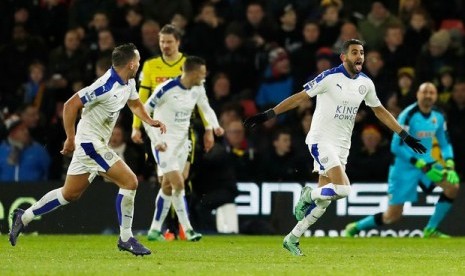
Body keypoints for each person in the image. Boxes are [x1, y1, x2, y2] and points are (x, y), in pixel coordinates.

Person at [243, 39, 426, 256]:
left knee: (325, 200)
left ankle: (292, 238)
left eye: (362, 53)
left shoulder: (366, 83)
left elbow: (380, 111)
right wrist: (268, 114)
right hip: (321, 140)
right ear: (344, 57)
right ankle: (308, 195)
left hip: (342, 146)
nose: (360, 56)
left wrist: (404, 135)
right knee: (344, 189)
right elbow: (300, 98)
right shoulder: (329, 77)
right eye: (355, 52)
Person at [9, 43, 166, 256]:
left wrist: (150, 120)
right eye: (137, 61)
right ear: (131, 64)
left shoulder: (128, 82)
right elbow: (70, 105)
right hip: (90, 144)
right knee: (130, 182)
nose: (138, 64)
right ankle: (126, 238)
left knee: (69, 194)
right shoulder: (104, 86)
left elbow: (135, 104)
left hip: (95, 143)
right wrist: (70, 139)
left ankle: (24, 216)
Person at [345, 82, 460, 238]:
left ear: (436, 96)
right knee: (392, 216)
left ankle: (430, 229)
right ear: (417, 95)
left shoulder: (439, 116)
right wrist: (419, 163)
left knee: (452, 186)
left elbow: (445, 143)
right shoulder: (408, 114)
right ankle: (356, 227)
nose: (427, 96)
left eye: (431, 93)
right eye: (424, 92)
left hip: (428, 164)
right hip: (404, 167)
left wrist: (450, 164)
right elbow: (396, 146)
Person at [143, 56, 224, 242]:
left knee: (167, 185)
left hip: (182, 144)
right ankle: (188, 230)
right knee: (178, 184)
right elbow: (144, 112)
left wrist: (215, 125)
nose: (204, 77)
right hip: (164, 144)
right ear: (193, 72)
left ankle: (154, 230)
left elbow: (206, 108)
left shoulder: (198, 88)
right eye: (202, 73)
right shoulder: (166, 89)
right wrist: (155, 140)